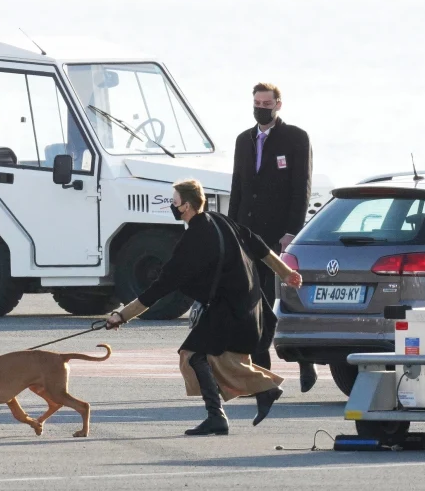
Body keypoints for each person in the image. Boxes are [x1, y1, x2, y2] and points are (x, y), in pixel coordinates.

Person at [105, 179, 303, 436]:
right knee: (204, 356)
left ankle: (251, 396)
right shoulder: (221, 220)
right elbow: (259, 246)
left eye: (174, 202)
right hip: (246, 303)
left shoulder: (194, 240)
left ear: (186, 206)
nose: (172, 206)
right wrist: (286, 273)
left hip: (229, 307)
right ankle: (226, 410)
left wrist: (122, 315)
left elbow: (160, 287)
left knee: (194, 354)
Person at [228, 82, 318, 392]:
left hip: (278, 236)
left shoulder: (295, 138)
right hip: (247, 235)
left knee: (281, 300)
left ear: (278, 105)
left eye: (266, 102)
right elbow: (238, 187)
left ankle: (305, 362)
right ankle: (262, 373)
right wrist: (231, 230)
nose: (261, 107)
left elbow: (300, 188)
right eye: (256, 102)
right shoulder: (244, 140)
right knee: (252, 301)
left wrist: (291, 232)